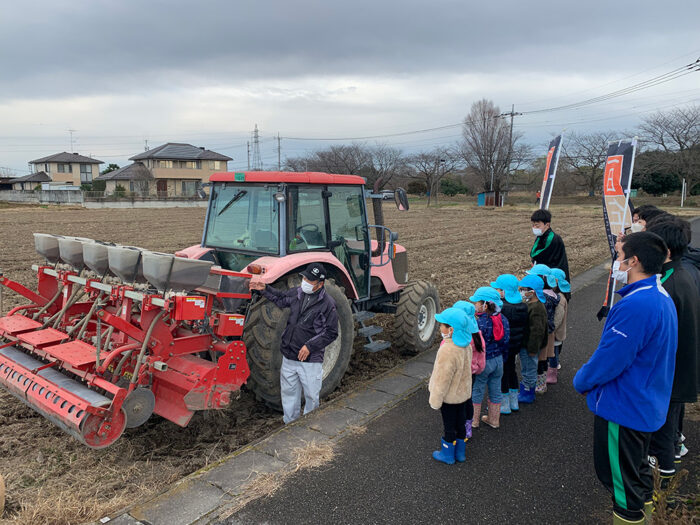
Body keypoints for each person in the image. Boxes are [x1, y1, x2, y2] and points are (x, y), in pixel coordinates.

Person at [573, 232, 678, 525]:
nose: (615, 263)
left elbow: (610, 359)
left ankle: (632, 518)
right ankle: (648, 515)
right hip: (645, 402)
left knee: (620, 485)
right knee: (636, 475)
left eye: (619, 256)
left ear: (633, 261)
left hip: (624, 408)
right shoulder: (659, 295)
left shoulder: (636, 306)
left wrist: (582, 382)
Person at [645, 219, 699, 485]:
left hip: (671, 372)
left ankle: (661, 485)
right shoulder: (680, 274)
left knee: (662, 429)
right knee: (670, 423)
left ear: (665, 250)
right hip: (678, 369)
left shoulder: (670, 284)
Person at [249, 262, 338, 424]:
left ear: (320, 284)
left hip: (309, 360)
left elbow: (331, 333)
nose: (304, 282)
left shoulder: (328, 304)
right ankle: (290, 423)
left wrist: (310, 346)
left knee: (311, 395)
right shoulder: (298, 293)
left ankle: (310, 424)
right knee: (289, 394)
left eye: (309, 280)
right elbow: (281, 298)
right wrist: (265, 289)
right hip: (289, 356)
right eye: (304, 278)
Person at [428, 307, 473, 465]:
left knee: (449, 425)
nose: (440, 328)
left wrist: (435, 400)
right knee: (460, 423)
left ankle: (447, 455)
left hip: (449, 398)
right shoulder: (466, 345)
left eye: (442, 325)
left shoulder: (447, 350)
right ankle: (460, 453)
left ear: (451, 329)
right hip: (462, 394)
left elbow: (442, 379)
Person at [469, 287, 509, 429]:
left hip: (484, 362)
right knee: (495, 389)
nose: (475, 305)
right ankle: (494, 420)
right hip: (498, 361)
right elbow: (506, 341)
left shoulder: (480, 323)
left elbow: (476, 345)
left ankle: (473, 420)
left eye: (477, 303)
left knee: (478, 389)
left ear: (484, 305)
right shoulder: (502, 319)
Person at [490, 274, 529, 415]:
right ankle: (514, 401)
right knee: (512, 371)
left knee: (502, 374)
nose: (496, 292)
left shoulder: (503, 309)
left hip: (503, 347)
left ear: (504, 291)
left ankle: (504, 404)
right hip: (515, 346)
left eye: (498, 289)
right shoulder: (523, 306)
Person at [526, 264, 560, 394]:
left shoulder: (543, 299)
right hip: (549, 331)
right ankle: (541, 383)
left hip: (540, 332)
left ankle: (539, 385)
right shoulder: (554, 295)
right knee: (544, 359)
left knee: (539, 359)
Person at [517, 275, 548, 404]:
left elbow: (537, 331)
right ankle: (526, 389)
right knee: (526, 367)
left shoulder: (537, 308)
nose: (522, 292)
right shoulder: (531, 304)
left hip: (529, 346)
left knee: (529, 369)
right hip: (527, 345)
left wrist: (533, 349)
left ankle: (528, 393)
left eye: (524, 289)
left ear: (532, 291)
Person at [530, 209, 570, 283]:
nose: (534, 227)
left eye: (537, 225)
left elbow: (539, 255)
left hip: (553, 275)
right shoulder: (541, 236)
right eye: (533, 225)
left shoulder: (553, 238)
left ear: (547, 225)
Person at [545, 268, 569, 384]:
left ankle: (552, 373)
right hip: (553, 331)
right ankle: (551, 369)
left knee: (553, 353)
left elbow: (558, 318)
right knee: (552, 351)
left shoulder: (560, 299)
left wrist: (550, 328)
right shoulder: (556, 296)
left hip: (555, 332)